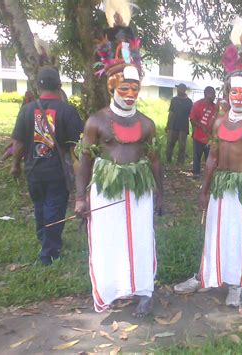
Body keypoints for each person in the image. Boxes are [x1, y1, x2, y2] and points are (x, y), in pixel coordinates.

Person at [173, 17, 242, 307]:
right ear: (227, 92)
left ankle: (235, 285)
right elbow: (212, 158)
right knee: (213, 231)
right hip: (219, 187)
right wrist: (204, 190)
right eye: (233, 92)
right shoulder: (217, 123)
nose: (238, 97)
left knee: (237, 235)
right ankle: (205, 275)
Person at [74, 6, 163, 317]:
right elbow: (84, 162)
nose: (130, 92)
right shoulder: (96, 122)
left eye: (135, 88)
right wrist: (80, 198)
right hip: (106, 190)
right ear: (111, 85)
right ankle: (111, 291)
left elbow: (154, 162)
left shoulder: (148, 124)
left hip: (140, 191)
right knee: (107, 238)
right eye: (124, 87)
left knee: (140, 238)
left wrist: (160, 196)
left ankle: (144, 292)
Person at [10, 66, 83, 266]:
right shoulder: (68, 111)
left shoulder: (26, 110)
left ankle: (46, 241)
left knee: (40, 207)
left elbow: (18, 143)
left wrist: (15, 165)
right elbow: (78, 145)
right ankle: (49, 254)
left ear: (37, 86)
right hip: (57, 171)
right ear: (59, 85)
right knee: (54, 210)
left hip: (33, 170)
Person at [190, 86, 217, 177]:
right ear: (207, 94)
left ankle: (208, 174)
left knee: (209, 157)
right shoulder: (198, 104)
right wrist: (202, 127)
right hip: (198, 136)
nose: (214, 96)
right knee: (197, 156)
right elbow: (192, 120)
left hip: (210, 138)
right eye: (213, 94)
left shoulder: (215, 107)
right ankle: (196, 173)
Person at [165, 83, 193, 164]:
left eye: (180, 88)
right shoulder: (174, 100)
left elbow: (191, 116)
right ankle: (168, 160)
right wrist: (168, 125)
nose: (178, 90)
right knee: (170, 144)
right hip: (173, 125)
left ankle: (180, 162)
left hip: (183, 127)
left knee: (182, 146)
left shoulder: (189, 102)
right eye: (178, 88)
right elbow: (171, 113)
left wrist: (192, 128)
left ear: (184, 90)